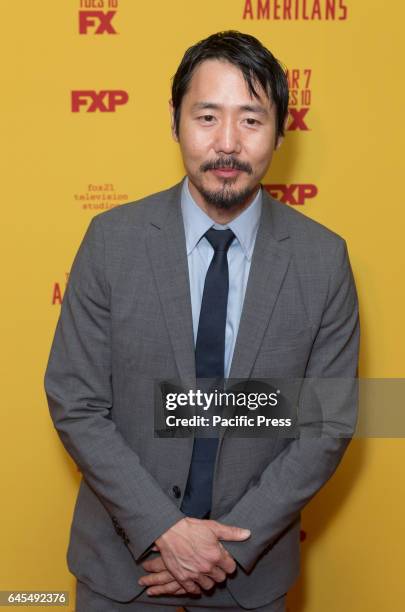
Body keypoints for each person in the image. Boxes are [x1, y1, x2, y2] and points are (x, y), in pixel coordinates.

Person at [44, 30, 360, 612]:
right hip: (124, 569)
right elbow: (76, 399)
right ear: (174, 121)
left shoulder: (323, 261)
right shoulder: (111, 243)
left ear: (282, 131)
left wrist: (225, 551)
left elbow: (326, 424)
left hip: (250, 570)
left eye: (251, 120)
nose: (227, 144)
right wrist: (165, 527)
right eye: (207, 116)